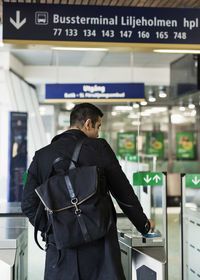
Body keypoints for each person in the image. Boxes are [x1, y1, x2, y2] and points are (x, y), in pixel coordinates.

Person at [22, 103, 155, 280]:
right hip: (100, 246)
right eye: (98, 126)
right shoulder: (99, 147)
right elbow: (123, 193)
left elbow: (28, 204)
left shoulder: (42, 156)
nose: (98, 133)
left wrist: (53, 229)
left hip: (60, 249)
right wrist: (143, 224)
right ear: (88, 123)